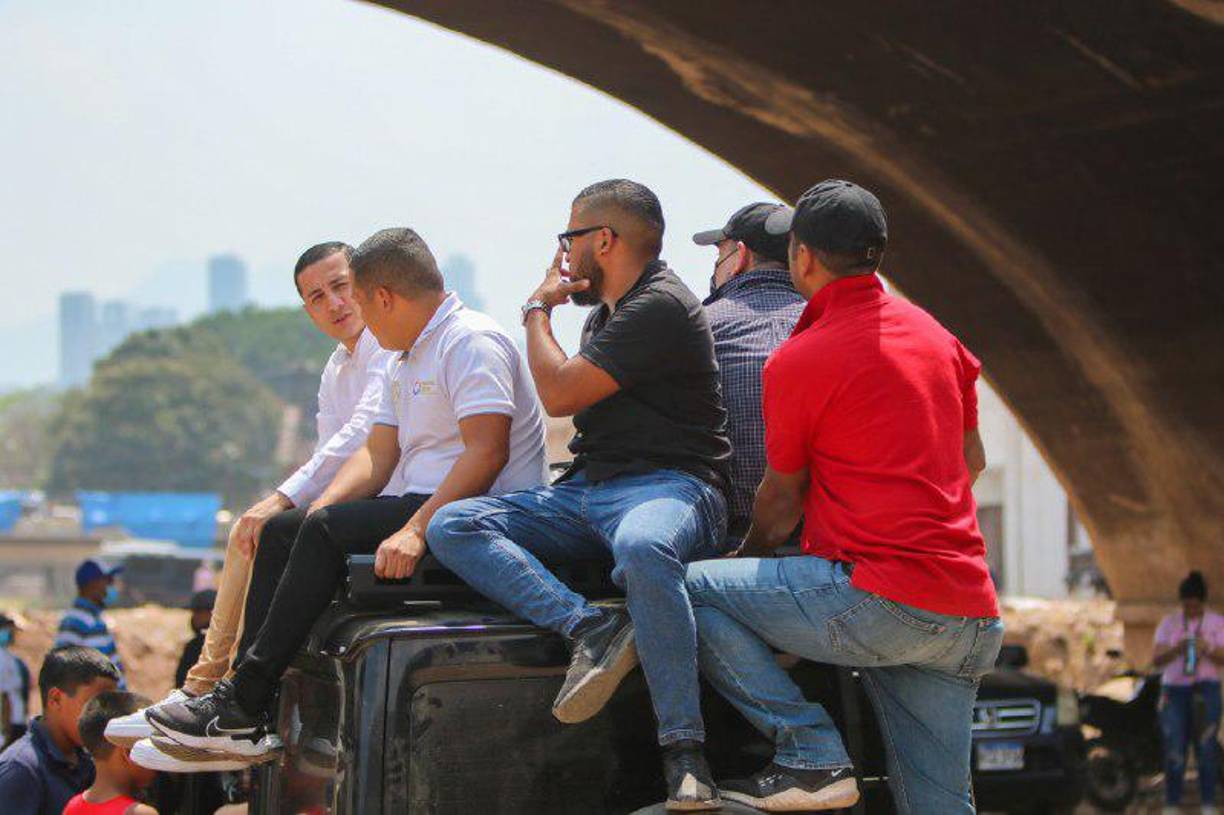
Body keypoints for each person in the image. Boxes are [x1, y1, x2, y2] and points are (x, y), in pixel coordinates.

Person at [144, 226, 547, 768]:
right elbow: (376, 456)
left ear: (382, 297)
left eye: (356, 300)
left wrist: (414, 528)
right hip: (425, 499)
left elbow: (486, 454)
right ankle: (248, 703)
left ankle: (242, 700)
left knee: (326, 531)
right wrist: (320, 509)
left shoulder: (469, 340)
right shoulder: (406, 355)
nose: (356, 319)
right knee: (291, 529)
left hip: (481, 512)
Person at [685, 180, 1003, 813]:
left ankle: (808, 752)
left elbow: (779, 501)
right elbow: (973, 461)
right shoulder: (938, 339)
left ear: (802, 256)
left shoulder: (802, 357)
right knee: (940, 802)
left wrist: (743, 557)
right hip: (968, 611)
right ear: (875, 254)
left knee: (690, 587)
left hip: (879, 598)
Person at [428, 179, 732, 810]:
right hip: (590, 490)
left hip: (670, 487)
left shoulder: (661, 304)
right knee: (453, 525)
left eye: (569, 237)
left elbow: (561, 393)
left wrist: (536, 309)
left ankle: (684, 753)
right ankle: (591, 628)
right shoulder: (605, 314)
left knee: (645, 551)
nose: (563, 255)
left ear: (604, 239)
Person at [106, 241, 394, 746]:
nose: (334, 304)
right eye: (317, 297)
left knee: (272, 526)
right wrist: (286, 501)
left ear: (367, 283)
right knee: (252, 528)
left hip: (395, 495)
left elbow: (361, 437)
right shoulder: (336, 366)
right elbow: (332, 448)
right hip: (361, 493)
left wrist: (283, 499)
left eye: (341, 287)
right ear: (307, 310)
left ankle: (228, 693)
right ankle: (211, 687)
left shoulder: (389, 348)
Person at [694, 202, 805, 543]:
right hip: (826, 543)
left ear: (740, 256)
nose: (715, 268)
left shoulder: (696, 328)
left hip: (726, 541)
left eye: (719, 257)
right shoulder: (834, 325)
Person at [0, 646, 120, 815]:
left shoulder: (89, 765)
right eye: (94, 705)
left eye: (109, 706)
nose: (104, 717)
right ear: (55, 699)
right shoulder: (21, 770)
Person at [1152, 570, 1224, 815]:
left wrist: (1208, 649)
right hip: (1175, 689)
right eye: (1186, 606)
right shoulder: (1169, 623)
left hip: (1206, 688)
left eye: (1195, 607)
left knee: (1206, 747)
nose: (1190, 611)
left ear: (1202, 603)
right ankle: (1171, 804)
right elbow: (1156, 659)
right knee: (1175, 748)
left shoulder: (1216, 623)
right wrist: (1176, 649)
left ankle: (1208, 804)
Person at [64, 691, 158, 815]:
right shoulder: (140, 813)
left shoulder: (72, 807)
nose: (159, 753)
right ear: (129, 752)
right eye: (153, 744)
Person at [57, 559, 125, 682]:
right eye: (108, 581)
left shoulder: (95, 618)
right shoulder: (76, 620)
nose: (112, 587)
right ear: (92, 584)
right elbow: (63, 670)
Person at [174, 590, 216, 690]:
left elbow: (181, 681)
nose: (194, 617)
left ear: (212, 613)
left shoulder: (197, 645)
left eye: (198, 612)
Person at [0, 612, 31, 744]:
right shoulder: (3, 659)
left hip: (17, 720)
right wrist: (6, 731)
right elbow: (4, 696)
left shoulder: (10, 658)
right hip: (9, 725)